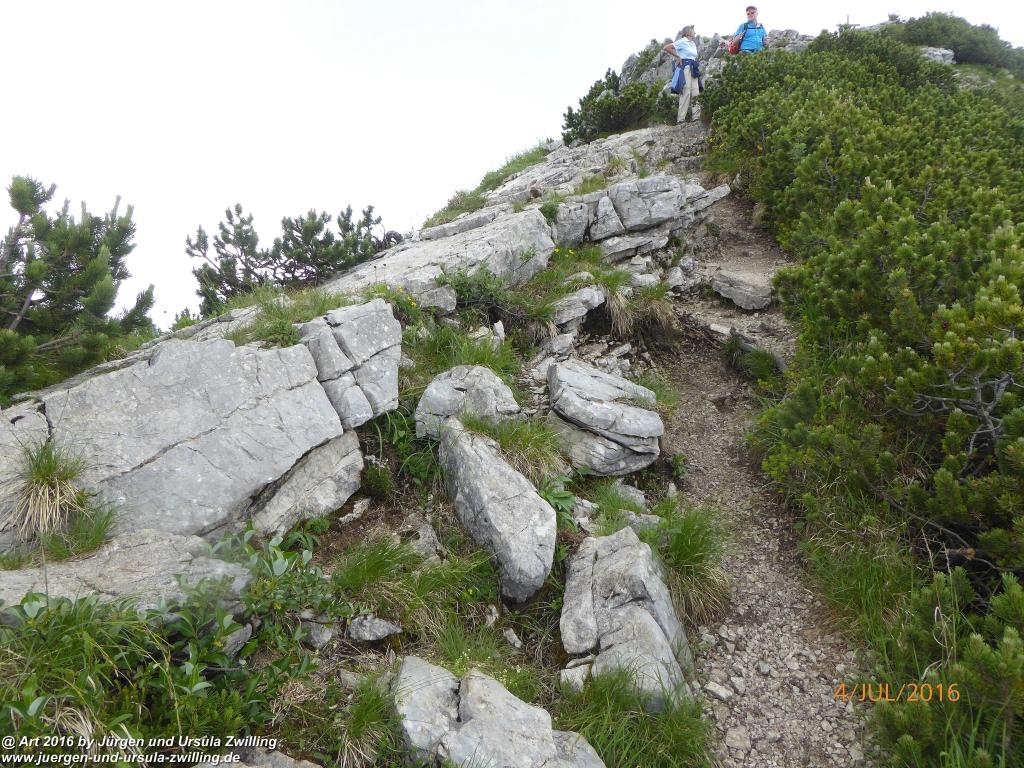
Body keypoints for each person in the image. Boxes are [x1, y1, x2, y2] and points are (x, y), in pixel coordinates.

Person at [663, 26, 701, 124]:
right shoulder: (682, 41)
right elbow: (667, 47)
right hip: (685, 68)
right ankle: (681, 119)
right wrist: (678, 56)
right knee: (686, 92)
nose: (695, 32)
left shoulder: (693, 43)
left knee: (696, 93)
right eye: (693, 30)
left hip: (694, 68)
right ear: (688, 32)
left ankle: (696, 117)